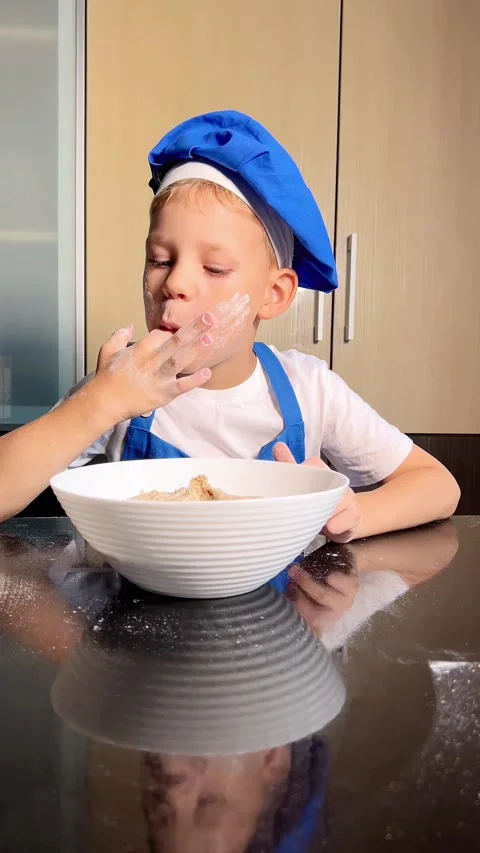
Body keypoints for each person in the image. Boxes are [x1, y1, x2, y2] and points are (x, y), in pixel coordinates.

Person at [0, 110, 460, 537]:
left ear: (274, 294)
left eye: (214, 268)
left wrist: (357, 515)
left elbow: (439, 486)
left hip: (275, 615)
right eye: (159, 259)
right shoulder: (119, 387)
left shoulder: (310, 389)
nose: (174, 282)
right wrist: (98, 404)